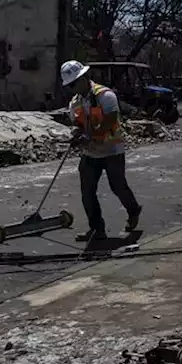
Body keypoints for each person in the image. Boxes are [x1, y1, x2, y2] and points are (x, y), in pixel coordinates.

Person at [60, 59, 142, 242]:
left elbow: (110, 119)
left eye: (74, 83)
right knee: (87, 192)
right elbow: (77, 124)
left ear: (84, 77)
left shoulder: (105, 95)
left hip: (112, 150)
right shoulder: (75, 103)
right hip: (90, 153)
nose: (73, 88)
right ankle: (97, 229)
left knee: (118, 187)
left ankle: (133, 209)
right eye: (69, 85)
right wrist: (76, 134)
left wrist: (91, 135)